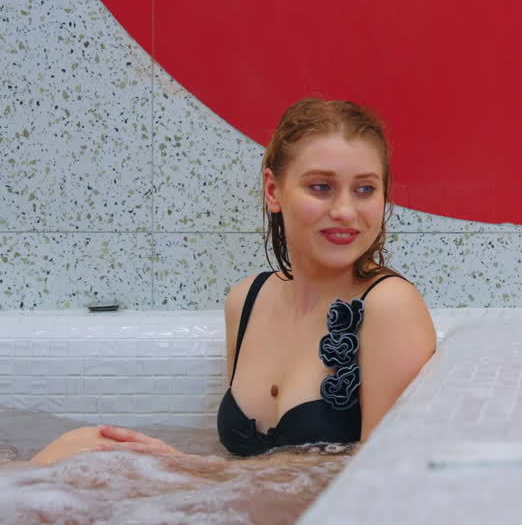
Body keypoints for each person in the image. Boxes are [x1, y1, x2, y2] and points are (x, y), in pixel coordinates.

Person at [34, 99, 436, 463]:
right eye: (321, 187)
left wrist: (191, 472)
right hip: (241, 505)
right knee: (81, 447)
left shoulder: (389, 306)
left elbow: (380, 480)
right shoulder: (247, 300)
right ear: (273, 191)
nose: (347, 210)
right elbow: (246, 471)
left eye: (365, 189)